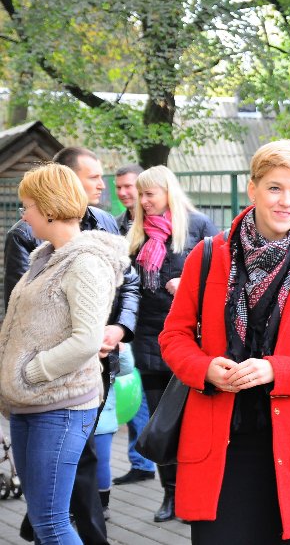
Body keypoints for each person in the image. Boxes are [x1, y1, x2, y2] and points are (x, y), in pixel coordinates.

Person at [158, 140, 290, 544]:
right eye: (275, 188)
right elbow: (174, 336)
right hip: (218, 447)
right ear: (253, 189)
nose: (286, 201)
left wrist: (275, 370)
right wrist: (204, 369)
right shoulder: (207, 256)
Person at [4, 146, 139, 545]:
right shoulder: (45, 257)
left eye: (28, 206)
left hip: (59, 405)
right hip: (31, 403)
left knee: (51, 523)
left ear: (48, 209)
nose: (23, 215)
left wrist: (31, 372)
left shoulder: (84, 262)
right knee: (44, 520)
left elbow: (86, 339)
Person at [127, 165, 218, 522]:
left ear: (168, 193)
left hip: (189, 341)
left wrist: (188, 283)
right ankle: (171, 494)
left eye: (149, 194)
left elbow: (224, 276)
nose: (143, 201)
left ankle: (197, 493)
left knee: (192, 422)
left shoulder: (199, 227)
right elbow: (127, 286)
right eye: (141, 194)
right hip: (148, 338)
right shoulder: (134, 232)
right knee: (160, 422)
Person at [111, 164, 157, 486]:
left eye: (131, 187)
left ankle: (149, 460)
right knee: (134, 393)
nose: (125, 193)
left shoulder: (161, 225)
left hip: (155, 325)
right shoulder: (115, 225)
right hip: (129, 324)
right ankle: (141, 460)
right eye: (120, 188)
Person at [94, 344, 136, 519]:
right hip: (73, 413)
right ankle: (74, 505)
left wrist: (120, 346)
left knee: (101, 461)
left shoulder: (109, 340)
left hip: (103, 415)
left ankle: (103, 504)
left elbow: (126, 368)